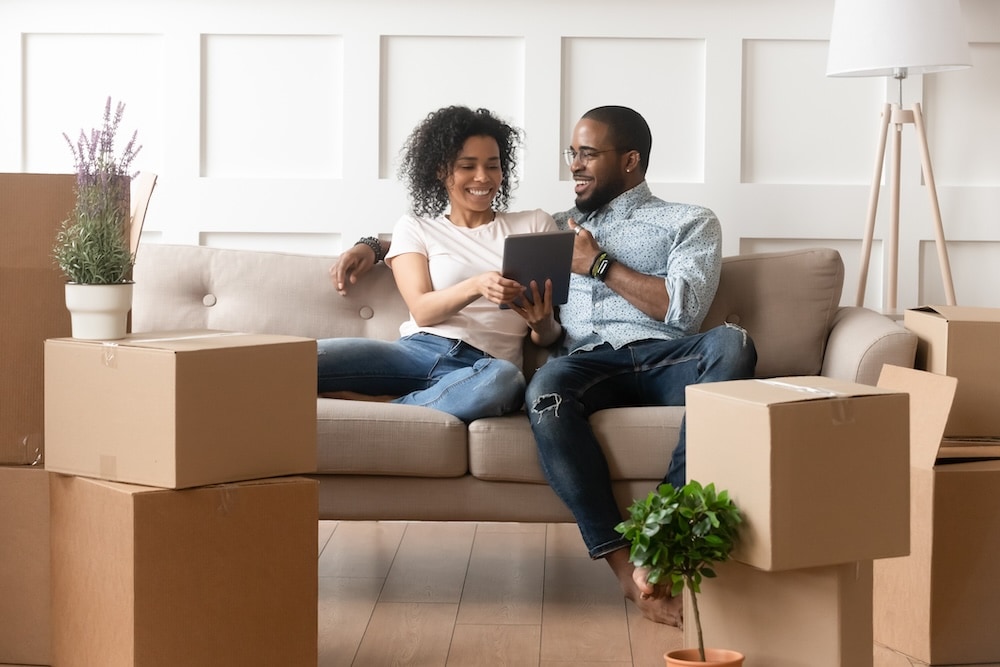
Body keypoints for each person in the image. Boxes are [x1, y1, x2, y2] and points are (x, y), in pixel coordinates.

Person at [329, 105, 757, 627]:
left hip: (668, 356)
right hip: (586, 366)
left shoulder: (689, 220)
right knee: (545, 388)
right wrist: (371, 245)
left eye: (588, 155)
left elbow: (684, 309)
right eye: (571, 154)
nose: (574, 166)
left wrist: (598, 265)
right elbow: (458, 233)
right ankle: (626, 565)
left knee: (733, 344)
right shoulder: (554, 228)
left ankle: (660, 538)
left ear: (630, 161)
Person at [317, 106, 562, 424]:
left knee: (506, 382)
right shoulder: (416, 227)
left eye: (493, 165)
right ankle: (423, 404)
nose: (483, 177)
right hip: (415, 352)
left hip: (484, 366)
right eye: (467, 166)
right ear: (440, 170)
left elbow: (550, 331)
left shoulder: (535, 224)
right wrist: (477, 284)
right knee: (297, 359)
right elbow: (423, 309)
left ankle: (384, 408)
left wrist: (543, 327)